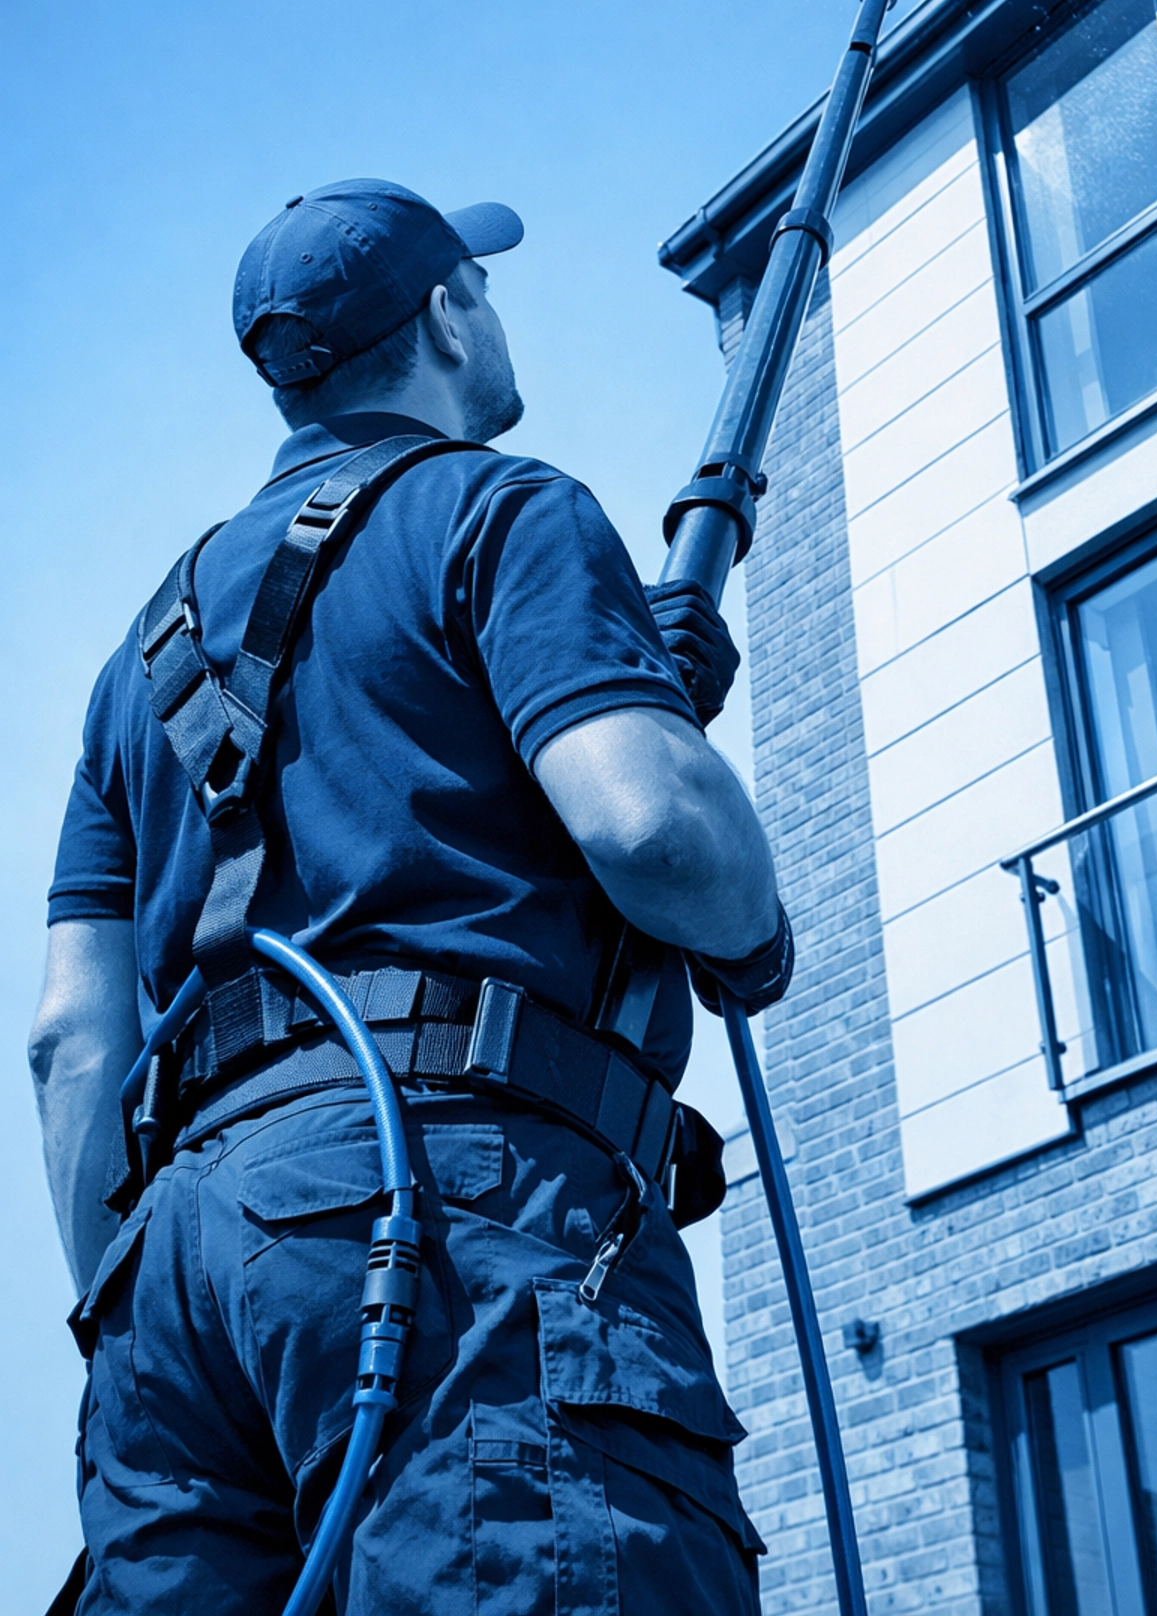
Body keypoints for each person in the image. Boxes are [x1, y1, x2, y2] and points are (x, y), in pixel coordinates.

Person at [29, 177, 790, 1615]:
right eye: (482, 288)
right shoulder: (503, 511)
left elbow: (74, 1046)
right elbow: (656, 831)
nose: (494, 313)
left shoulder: (138, 657)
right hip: (453, 1216)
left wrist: (136, 1310)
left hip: (169, 1291)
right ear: (448, 312)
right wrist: (753, 938)